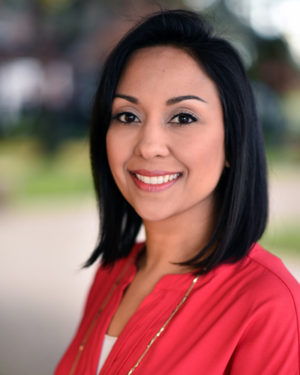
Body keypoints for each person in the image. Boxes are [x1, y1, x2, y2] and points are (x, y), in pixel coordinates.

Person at [54, 9, 300, 375]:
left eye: (183, 117)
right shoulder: (112, 272)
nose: (149, 145)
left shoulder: (268, 304)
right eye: (128, 116)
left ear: (233, 143)